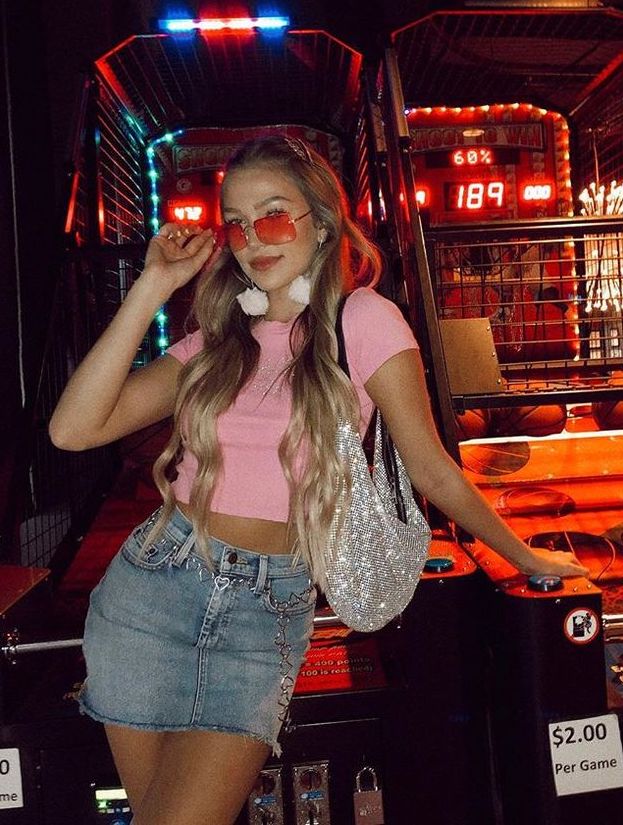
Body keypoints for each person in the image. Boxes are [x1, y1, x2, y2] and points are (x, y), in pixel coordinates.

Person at [49, 134, 588, 825]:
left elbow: (429, 468)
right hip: (149, 595)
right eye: (236, 223)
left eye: (273, 215)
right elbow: (73, 428)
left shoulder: (360, 319)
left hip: (260, 611)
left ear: (322, 220)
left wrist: (524, 556)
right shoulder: (220, 337)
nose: (251, 239)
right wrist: (153, 285)